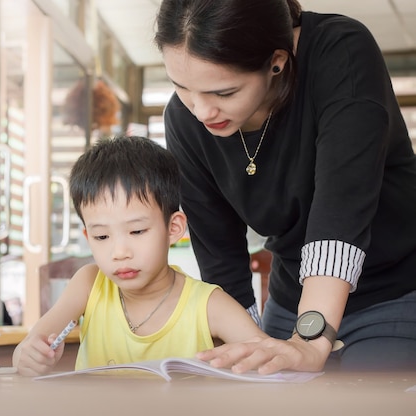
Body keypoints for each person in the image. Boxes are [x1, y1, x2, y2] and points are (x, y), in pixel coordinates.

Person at [154, 0, 416, 373]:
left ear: (276, 61)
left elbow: (340, 209)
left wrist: (309, 340)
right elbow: (220, 256)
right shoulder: (183, 120)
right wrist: (244, 345)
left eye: (224, 93)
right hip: (291, 299)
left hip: (391, 292)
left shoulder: (341, 50)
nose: (201, 111)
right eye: (182, 87)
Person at [12, 135, 268, 376]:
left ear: (173, 228)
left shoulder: (209, 305)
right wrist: (29, 356)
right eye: (102, 237)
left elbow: (272, 361)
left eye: (136, 231)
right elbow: (26, 349)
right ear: (88, 237)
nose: (120, 253)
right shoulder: (89, 284)